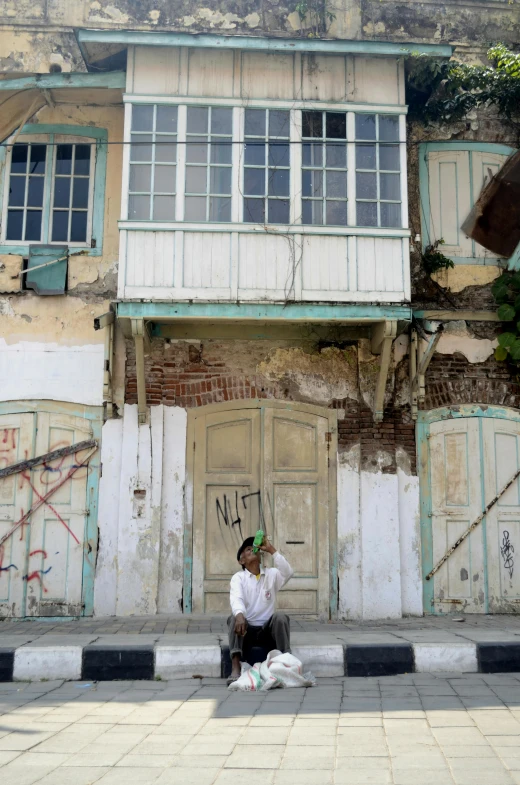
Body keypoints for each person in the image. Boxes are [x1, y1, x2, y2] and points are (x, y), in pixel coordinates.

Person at [227, 534, 294, 684]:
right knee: (233, 618)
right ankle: (235, 665)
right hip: (247, 630)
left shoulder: (271, 574)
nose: (252, 549)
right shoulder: (239, 578)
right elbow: (236, 599)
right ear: (241, 560)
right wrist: (239, 615)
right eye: (247, 549)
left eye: (253, 547)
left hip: (267, 630)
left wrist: (271, 549)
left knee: (281, 617)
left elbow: (288, 572)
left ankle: (285, 661)